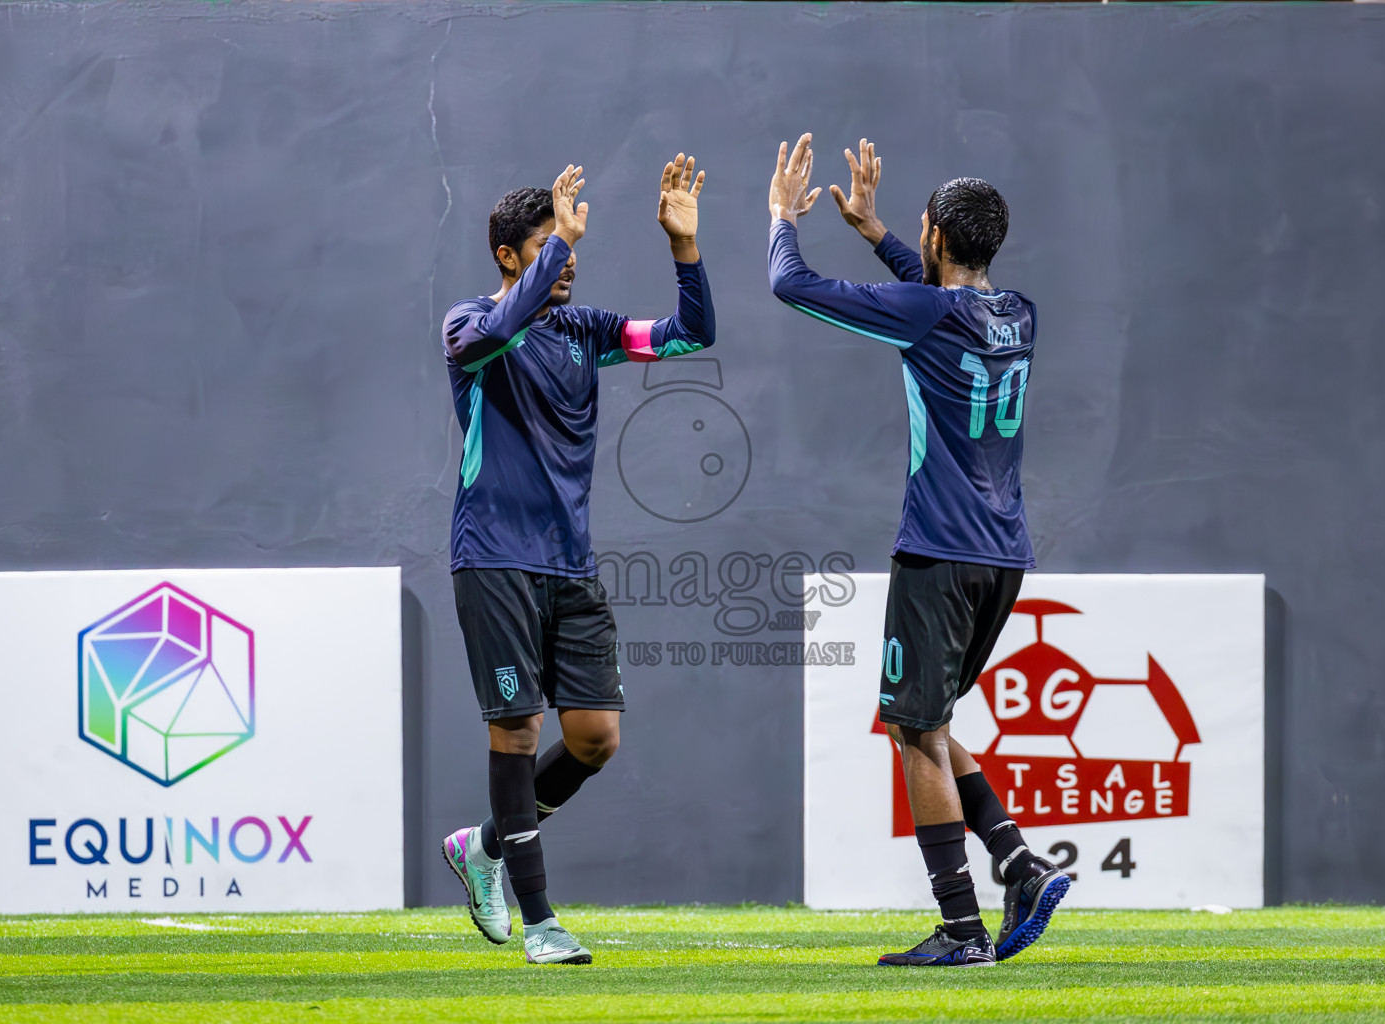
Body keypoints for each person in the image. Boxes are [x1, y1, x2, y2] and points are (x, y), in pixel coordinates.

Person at [768, 134, 1069, 967]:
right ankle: (1016, 862)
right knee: (928, 722)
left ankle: (963, 929)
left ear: (935, 234)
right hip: (1003, 555)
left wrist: (781, 218)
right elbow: (934, 296)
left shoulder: (932, 313)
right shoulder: (1018, 313)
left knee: (911, 729)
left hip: (938, 551)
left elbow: (789, 285)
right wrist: (875, 231)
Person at [441, 156, 714, 965]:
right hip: (492, 559)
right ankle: (539, 921)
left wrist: (685, 252)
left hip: (569, 565)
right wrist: (558, 243)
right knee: (518, 730)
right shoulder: (469, 327)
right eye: (547, 248)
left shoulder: (584, 332)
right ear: (508, 257)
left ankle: (484, 846)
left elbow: (690, 335)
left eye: (568, 250)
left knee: (595, 738)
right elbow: (499, 329)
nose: (565, 262)